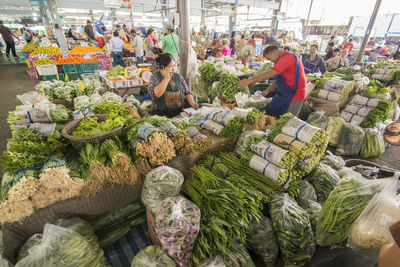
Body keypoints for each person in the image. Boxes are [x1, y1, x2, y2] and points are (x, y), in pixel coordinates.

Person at [238, 45, 307, 118]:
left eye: (270, 58)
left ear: (275, 51)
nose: (271, 61)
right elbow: (278, 79)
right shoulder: (280, 59)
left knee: (288, 120)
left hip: (295, 95)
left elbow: (271, 73)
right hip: (285, 94)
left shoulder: (288, 58)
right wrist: (267, 91)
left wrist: (250, 81)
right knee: (273, 114)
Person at [148, 53, 198, 117]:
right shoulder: (155, 77)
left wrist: (193, 104)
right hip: (161, 115)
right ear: (163, 67)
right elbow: (157, 94)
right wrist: (167, 78)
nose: (174, 69)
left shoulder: (178, 77)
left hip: (179, 113)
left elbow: (187, 93)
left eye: (175, 65)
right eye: (171, 67)